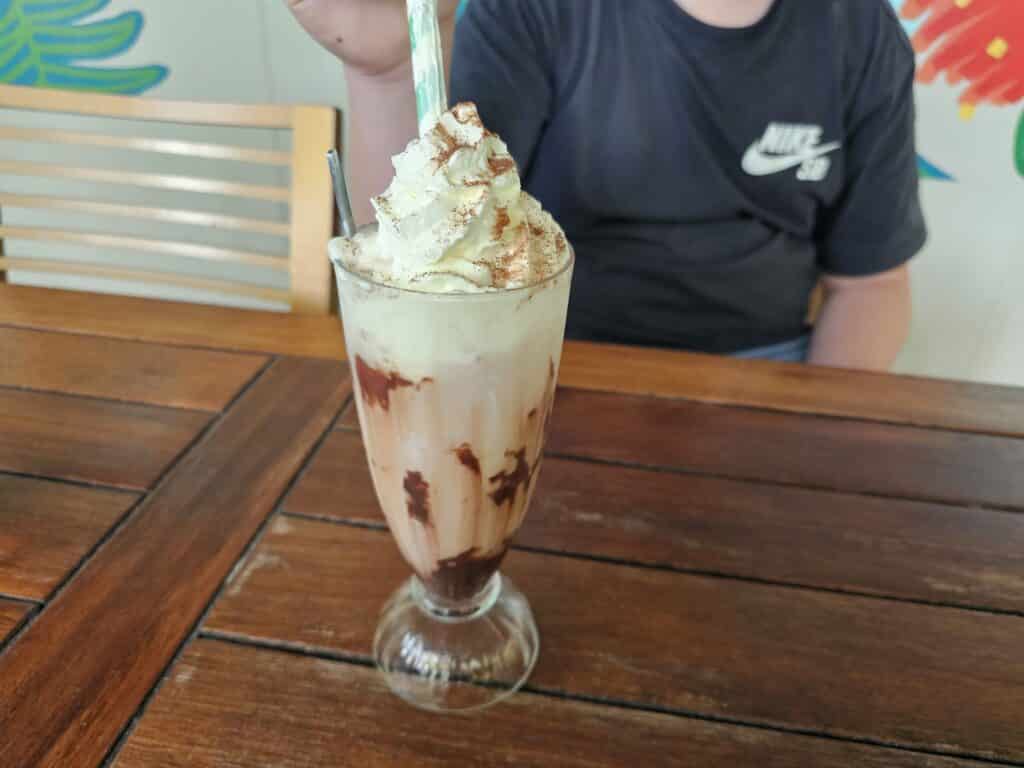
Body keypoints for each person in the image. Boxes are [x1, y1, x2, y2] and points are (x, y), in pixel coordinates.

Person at [287, 0, 926, 370]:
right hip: (544, 361)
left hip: (769, 368)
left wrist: (820, 432)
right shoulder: (533, 10)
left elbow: (869, 285)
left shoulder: (861, 33)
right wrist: (386, 76)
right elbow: (424, 257)